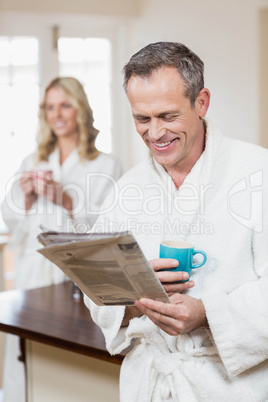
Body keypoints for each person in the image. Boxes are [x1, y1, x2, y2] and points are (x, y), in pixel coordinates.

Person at [84, 42, 268, 401]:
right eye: (142, 118)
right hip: (150, 381)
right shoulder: (127, 189)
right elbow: (98, 294)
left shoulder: (257, 172)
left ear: (201, 102)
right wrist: (136, 304)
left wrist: (207, 314)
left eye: (168, 116)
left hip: (231, 387)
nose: (154, 134)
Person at [1, 76, 122, 402]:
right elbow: (12, 219)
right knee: (23, 348)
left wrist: (68, 201)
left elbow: (111, 230)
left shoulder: (106, 165)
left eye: (65, 105)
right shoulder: (33, 162)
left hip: (75, 276)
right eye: (50, 107)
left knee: (69, 354)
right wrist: (25, 197)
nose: (57, 114)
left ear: (80, 109)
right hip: (32, 269)